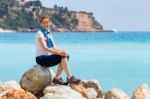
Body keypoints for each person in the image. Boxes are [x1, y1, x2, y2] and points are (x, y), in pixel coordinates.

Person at [35, 15, 80, 85]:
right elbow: (44, 48)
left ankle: (57, 78)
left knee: (66, 55)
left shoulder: (48, 34)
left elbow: (54, 46)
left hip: (47, 57)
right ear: (41, 23)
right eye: (43, 23)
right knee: (61, 56)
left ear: (49, 23)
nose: (45, 24)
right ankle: (69, 77)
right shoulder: (40, 33)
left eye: (47, 22)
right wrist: (59, 53)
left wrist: (62, 51)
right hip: (41, 59)